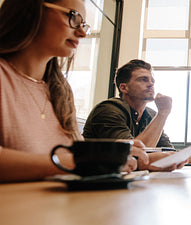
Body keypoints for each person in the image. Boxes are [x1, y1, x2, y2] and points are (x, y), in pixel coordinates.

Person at [0, 0, 159, 183]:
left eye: (84, 25)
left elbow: (74, 154)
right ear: (32, 10)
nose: (82, 33)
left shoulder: (60, 89)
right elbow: (74, 160)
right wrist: (78, 162)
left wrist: (128, 158)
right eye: (73, 17)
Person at [83, 59, 191, 169]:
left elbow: (170, 153)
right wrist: (163, 113)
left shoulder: (150, 115)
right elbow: (135, 156)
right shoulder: (109, 110)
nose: (151, 84)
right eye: (143, 79)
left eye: (152, 80)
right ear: (124, 87)